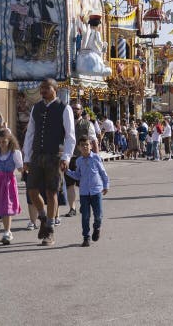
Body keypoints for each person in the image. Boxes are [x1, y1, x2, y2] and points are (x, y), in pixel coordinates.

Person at [22, 78, 76, 246]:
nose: (43, 91)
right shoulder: (36, 108)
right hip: (37, 155)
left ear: (55, 89)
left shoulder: (64, 108)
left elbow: (70, 136)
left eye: (46, 88)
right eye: (41, 88)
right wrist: (27, 158)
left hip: (55, 156)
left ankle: (50, 230)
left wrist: (67, 156)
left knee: (52, 192)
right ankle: (44, 218)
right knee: (31, 190)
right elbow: (30, 133)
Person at [66, 135, 109, 247]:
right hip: (84, 192)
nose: (85, 147)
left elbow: (103, 172)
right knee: (85, 216)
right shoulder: (79, 161)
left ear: (91, 146)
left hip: (96, 191)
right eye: (82, 145)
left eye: (87, 145)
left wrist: (106, 185)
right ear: (79, 147)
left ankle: (97, 227)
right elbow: (78, 175)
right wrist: (67, 171)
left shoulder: (96, 158)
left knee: (98, 215)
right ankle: (86, 237)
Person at [66, 101, 98, 218]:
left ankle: (84, 204)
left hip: (83, 158)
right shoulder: (66, 123)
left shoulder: (87, 124)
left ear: (81, 110)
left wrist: (96, 157)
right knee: (69, 185)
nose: (75, 111)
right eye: (73, 108)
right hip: (69, 157)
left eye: (77, 109)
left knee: (83, 184)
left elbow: (94, 140)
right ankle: (72, 208)